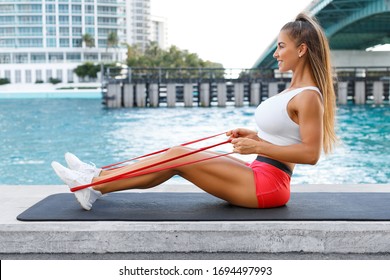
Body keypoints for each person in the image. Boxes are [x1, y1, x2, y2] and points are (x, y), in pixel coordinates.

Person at [52, 12, 337, 211]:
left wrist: (257, 145)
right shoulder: (293, 91)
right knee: (176, 151)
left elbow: (310, 154)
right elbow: (286, 137)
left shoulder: (309, 97)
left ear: (301, 50)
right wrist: (252, 136)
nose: (276, 53)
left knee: (177, 158)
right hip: (259, 171)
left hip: (269, 186)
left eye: (281, 46)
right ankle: (98, 174)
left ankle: (92, 186)